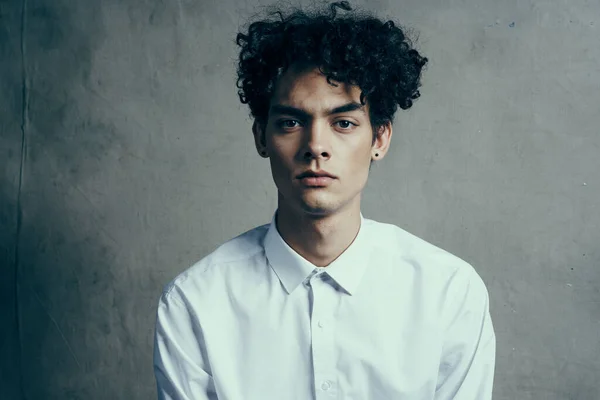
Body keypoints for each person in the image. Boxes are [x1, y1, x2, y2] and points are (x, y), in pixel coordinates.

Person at [153, 1, 496, 399]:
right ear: (261, 137)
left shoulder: (448, 292)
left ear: (380, 139)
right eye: (291, 123)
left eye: (344, 123)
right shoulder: (195, 302)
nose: (316, 146)